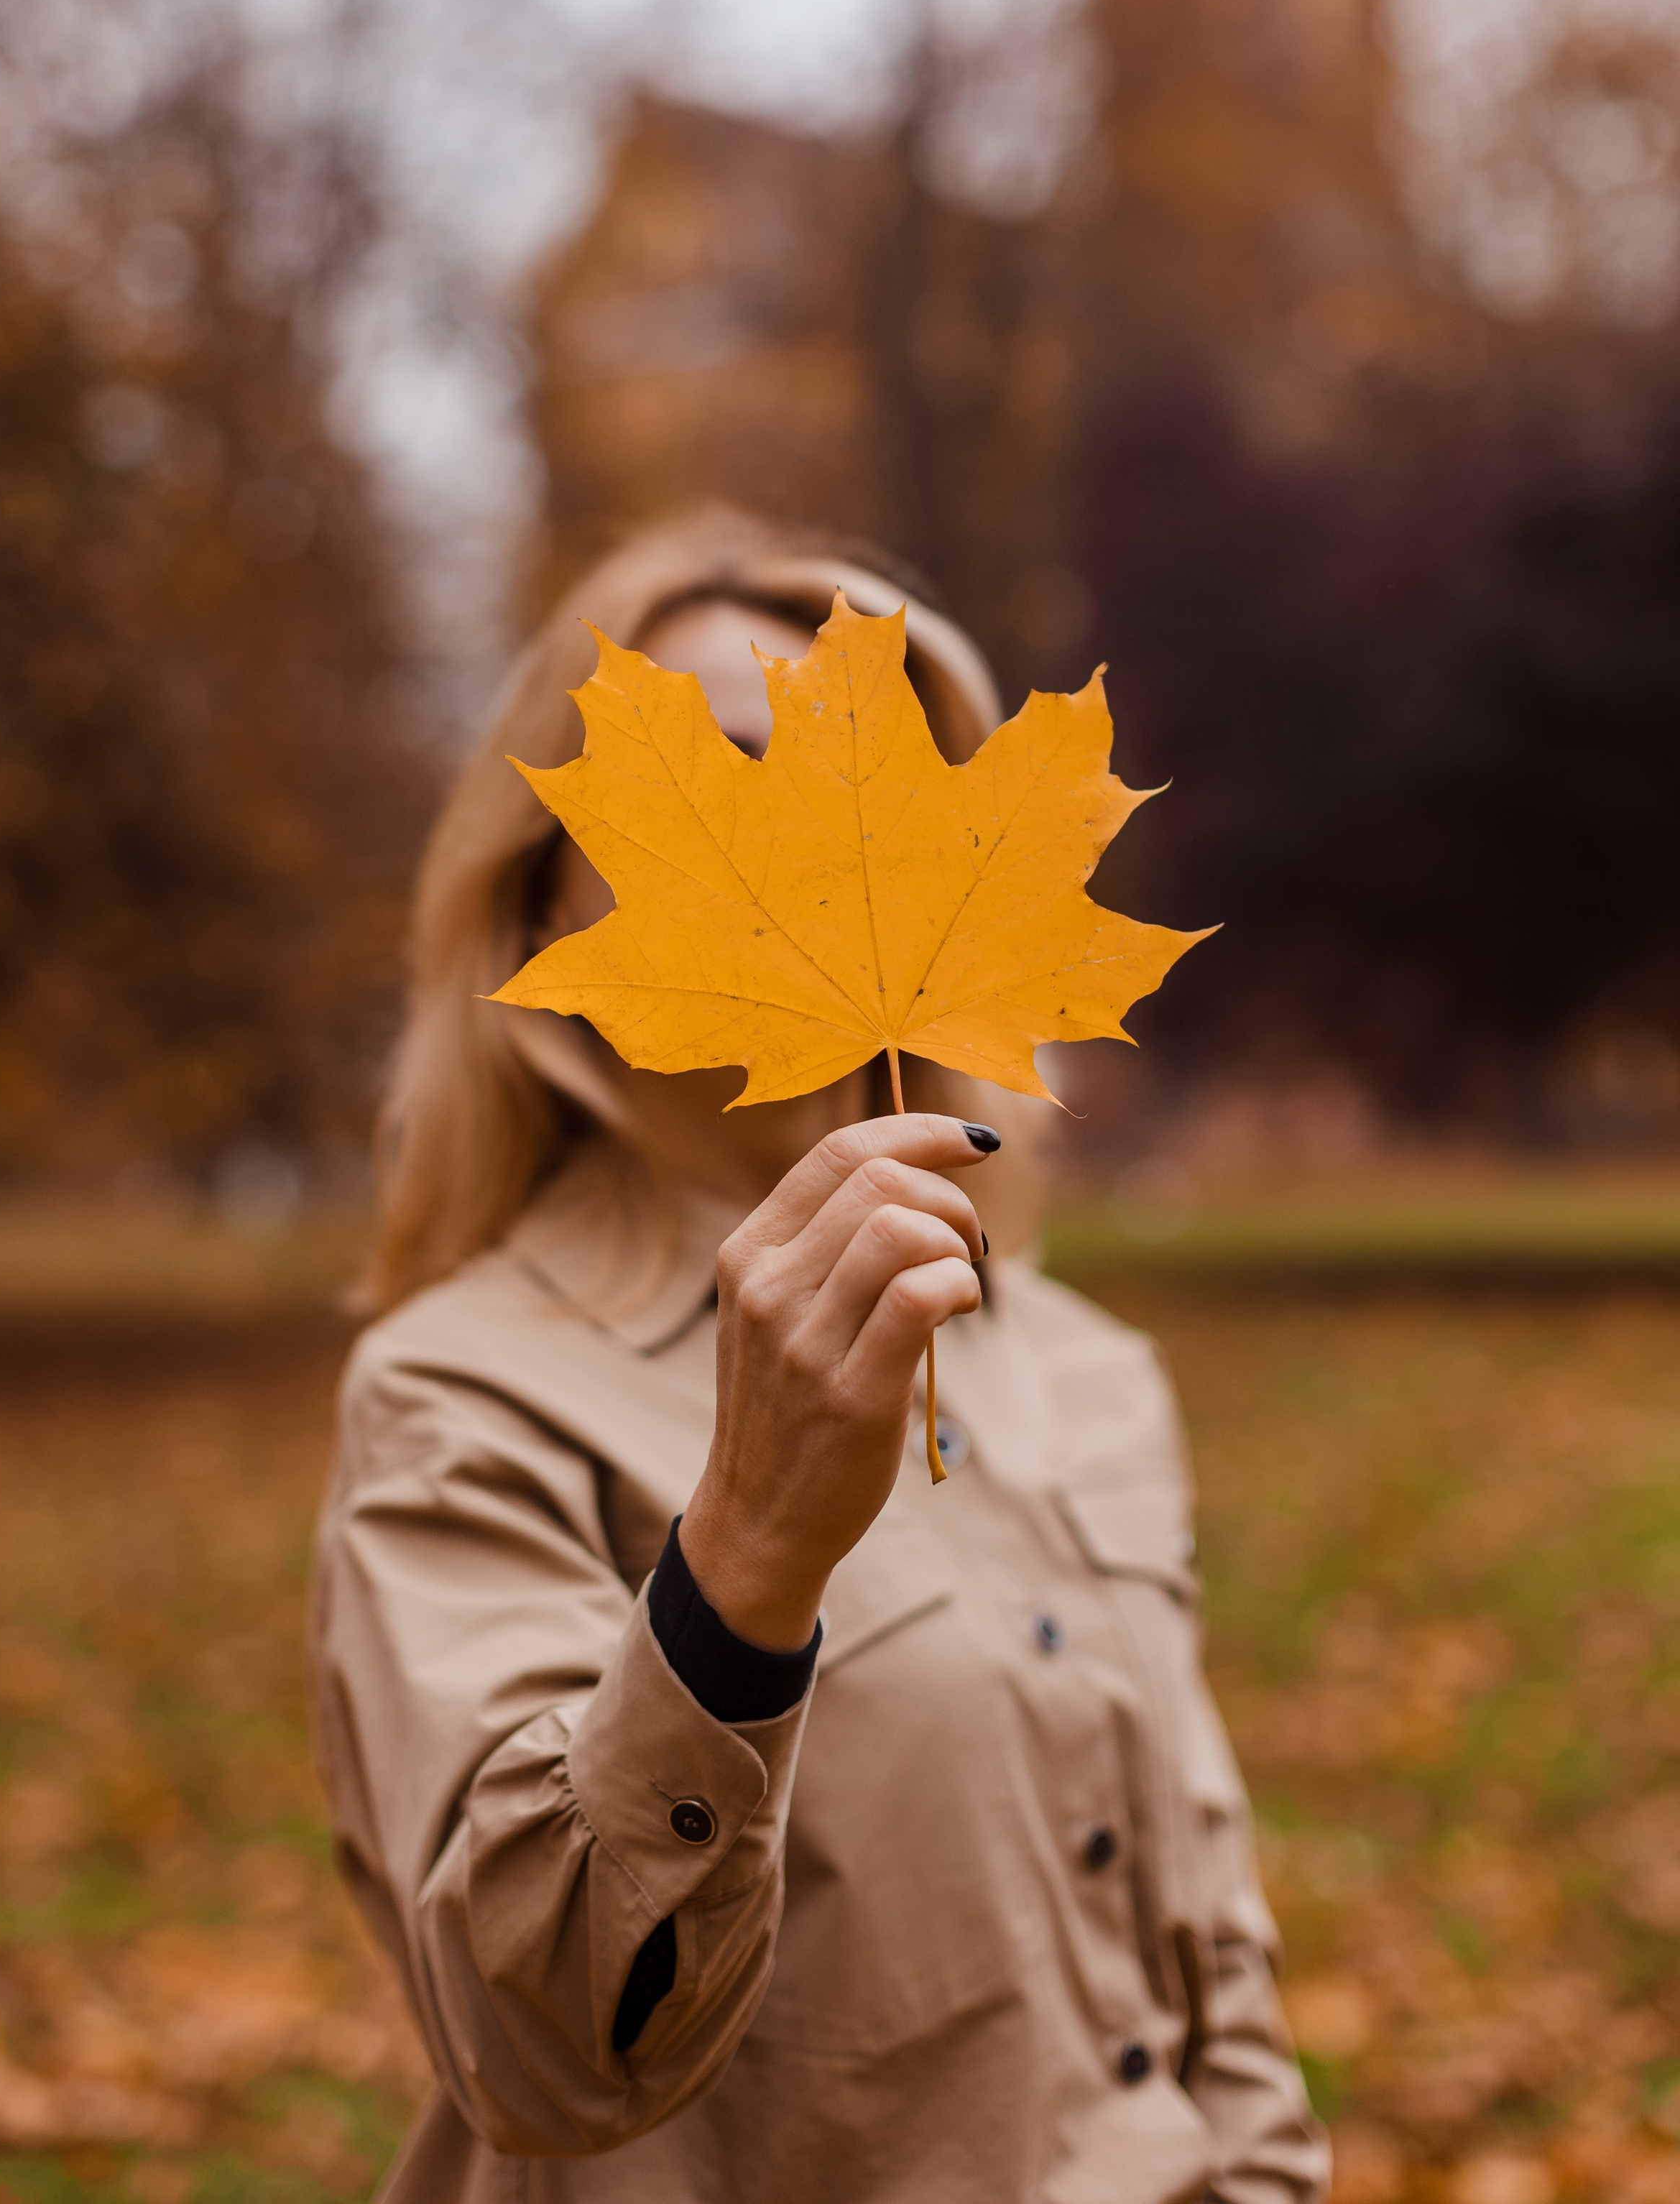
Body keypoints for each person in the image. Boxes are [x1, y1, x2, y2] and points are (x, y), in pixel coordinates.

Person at [310, 509, 1328, 2204]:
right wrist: (745, 1562)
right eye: (713, 774)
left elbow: (1205, 1947)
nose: (796, 840)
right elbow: (542, 2054)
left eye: (839, 782)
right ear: (542, 881)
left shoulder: (1084, 1367)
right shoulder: (460, 1394)